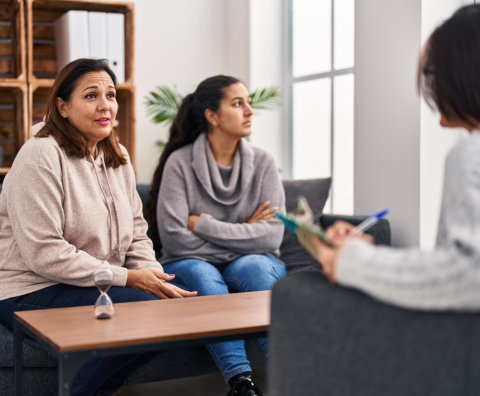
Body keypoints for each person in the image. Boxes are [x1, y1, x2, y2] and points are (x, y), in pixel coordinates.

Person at [0, 58, 196, 396]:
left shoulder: (116, 154)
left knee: (169, 310)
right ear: (62, 106)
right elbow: (44, 253)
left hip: (91, 283)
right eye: (91, 96)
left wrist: (152, 274)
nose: (105, 105)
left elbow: (137, 230)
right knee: (145, 314)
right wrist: (129, 278)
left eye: (111, 95)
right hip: (28, 288)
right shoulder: (40, 154)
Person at [297, 4, 480, 311]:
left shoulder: (469, 154)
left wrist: (348, 261)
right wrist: (369, 255)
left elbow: (467, 275)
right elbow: (459, 261)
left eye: (433, 74)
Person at [146, 75, 286, 396]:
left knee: (254, 267)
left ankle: (290, 378)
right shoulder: (179, 164)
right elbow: (174, 239)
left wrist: (204, 225)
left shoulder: (263, 163)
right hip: (189, 263)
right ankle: (241, 384)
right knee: (201, 273)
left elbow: (272, 237)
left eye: (249, 102)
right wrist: (246, 230)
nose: (249, 111)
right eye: (238, 104)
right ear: (211, 116)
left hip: (251, 261)